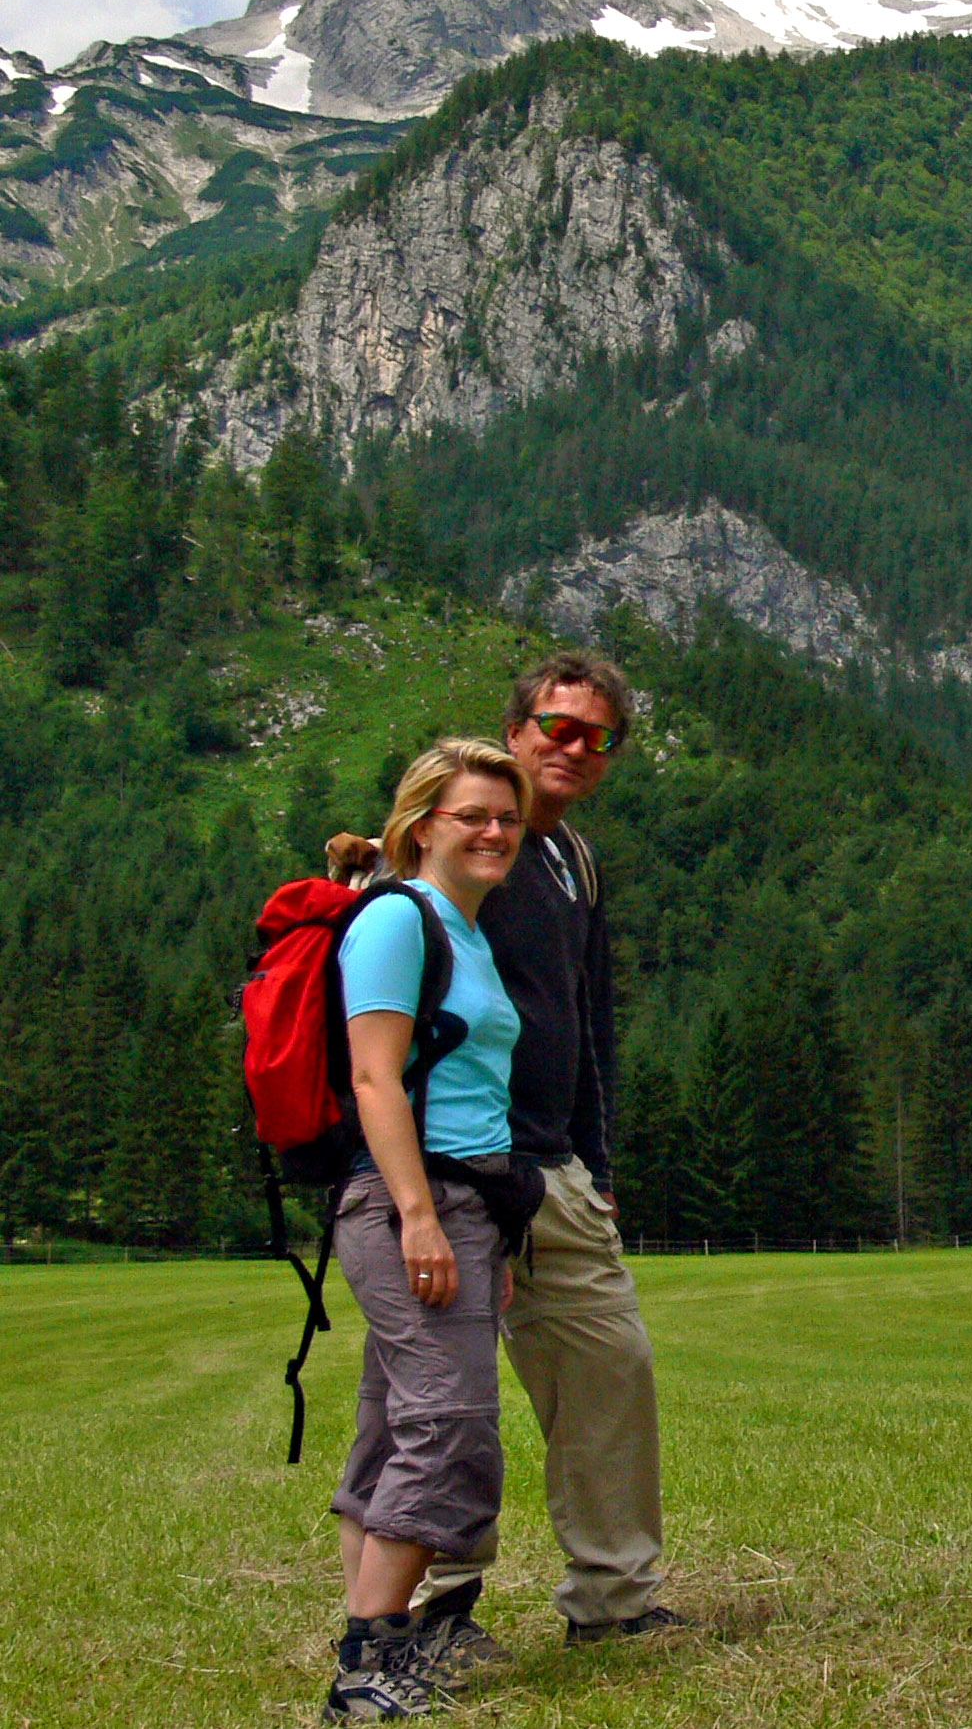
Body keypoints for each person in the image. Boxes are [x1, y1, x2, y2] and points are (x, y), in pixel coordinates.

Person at [404, 653, 685, 1669]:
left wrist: (597, 1164)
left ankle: (612, 1597)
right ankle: (429, 1612)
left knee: (613, 1369)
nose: (572, 746)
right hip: (464, 1167)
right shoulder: (465, 834)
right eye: (555, 726)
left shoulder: (572, 859)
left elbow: (589, 1021)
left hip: (558, 1171)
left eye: (594, 735)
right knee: (450, 1397)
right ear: (516, 726)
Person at [322, 740, 533, 1721]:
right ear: (420, 826)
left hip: (464, 1202)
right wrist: (416, 1213)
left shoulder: (466, 928)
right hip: (415, 1199)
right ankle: (368, 1662)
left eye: (507, 816)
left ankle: (381, 1635)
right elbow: (374, 1076)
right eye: (472, 814)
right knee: (447, 1421)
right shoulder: (398, 921)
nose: (494, 831)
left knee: (399, 1417)